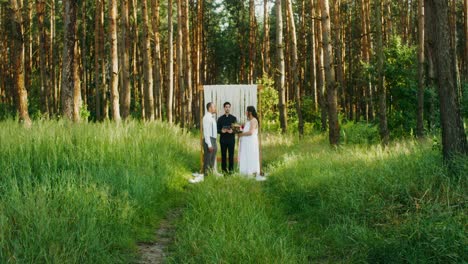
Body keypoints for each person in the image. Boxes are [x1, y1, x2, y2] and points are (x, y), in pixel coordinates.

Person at [190, 102, 217, 183]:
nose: (215, 108)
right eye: (214, 107)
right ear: (209, 108)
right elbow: (206, 132)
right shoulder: (206, 118)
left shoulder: (212, 117)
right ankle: (206, 178)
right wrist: (209, 144)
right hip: (209, 140)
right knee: (207, 160)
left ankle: (210, 177)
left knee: (212, 160)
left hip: (214, 140)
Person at [238, 106, 266, 181]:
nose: (245, 112)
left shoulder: (254, 120)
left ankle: (252, 172)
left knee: (251, 156)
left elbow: (251, 132)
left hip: (251, 142)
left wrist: (241, 134)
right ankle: (246, 172)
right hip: (246, 142)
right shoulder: (248, 121)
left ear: (250, 112)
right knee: (245, 156)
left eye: (246, 111)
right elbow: (245, 130)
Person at [217, 102, 237, 174]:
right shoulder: (220, 119)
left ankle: (231, 171)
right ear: (224, 108)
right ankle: (224, 171)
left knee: (231, 156)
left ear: (230, 108)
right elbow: (217, 130)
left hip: (231, 140)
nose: (227, 108)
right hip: (223, 140)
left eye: (228, 107)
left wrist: (232, 131)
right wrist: (221, 131)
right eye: (226, 107)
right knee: (223, 156)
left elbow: (236, 130)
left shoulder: (234, 118)